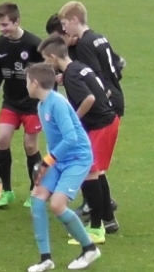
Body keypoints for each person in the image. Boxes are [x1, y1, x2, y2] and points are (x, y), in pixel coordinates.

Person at [39, 35, 119, 245]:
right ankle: (107, 220)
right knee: (96, 173)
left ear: (53, 57)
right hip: (108, 121)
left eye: (46, 59)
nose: (46, 63)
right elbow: (99, 90)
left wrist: (73, 120)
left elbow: (89, 98)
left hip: (101, 125)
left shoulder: (71, 75)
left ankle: (96, 229)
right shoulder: (78, 68)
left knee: (89, 173)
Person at [24, 63, 102, 272]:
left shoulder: (57, 103)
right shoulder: (42, 106)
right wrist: (48, 164)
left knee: (57, 205)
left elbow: (71, 138)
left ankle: (89, 249)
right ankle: (45, 259)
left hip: (77, 158)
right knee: (37, 197)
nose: (26, 86)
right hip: (59, 160)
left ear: (35, 83)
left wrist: (47, 161)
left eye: (27, 82)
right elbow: (55, 139)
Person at [58, 1, 125, 232]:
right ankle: (106, 216)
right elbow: (117, 66)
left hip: (105, 107)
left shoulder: (85, 43)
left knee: (91, 166)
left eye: (65, 24)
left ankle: (99, 217)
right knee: (95, 166)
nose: (64, 30)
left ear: (74, 20)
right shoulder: (99, 37)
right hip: (116, 99)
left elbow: (94, 79)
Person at [0, 2, 44, 209]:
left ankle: (35, 191)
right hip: (10, 102)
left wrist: (46, 101)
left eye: (5, 25)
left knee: (30, 146)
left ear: (17, 21)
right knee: (2, 139)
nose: (1, 29)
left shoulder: (34, 44)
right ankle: (7, 191)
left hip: (32, 105)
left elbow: (46, 74)